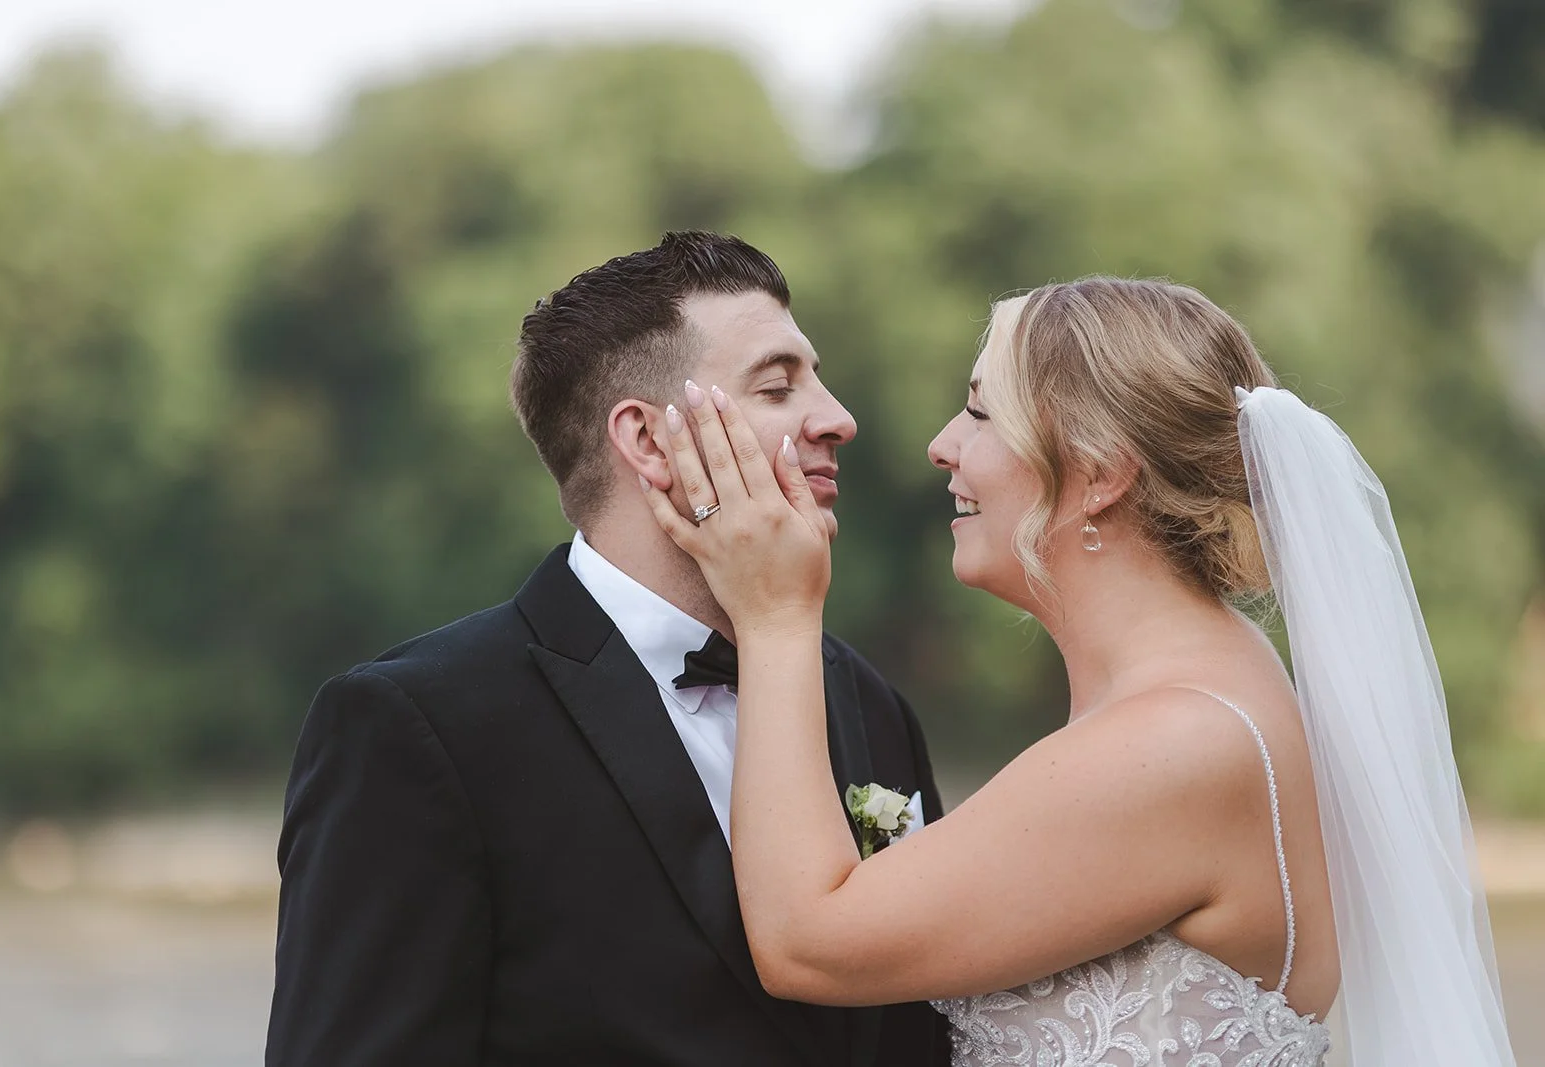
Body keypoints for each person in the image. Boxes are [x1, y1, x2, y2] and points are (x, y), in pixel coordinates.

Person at [641, 276, 1517, 1066]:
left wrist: (776, 615)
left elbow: (806, 941)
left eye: (981, 414)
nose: (944, 446)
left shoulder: (1182, 739)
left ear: (1098, 474)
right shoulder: (1208, 685)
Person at [265, 231, 951, 1066]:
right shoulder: (415, 727)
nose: (836, 417)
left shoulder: (865, 698)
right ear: (650, 440)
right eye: (778, 385)